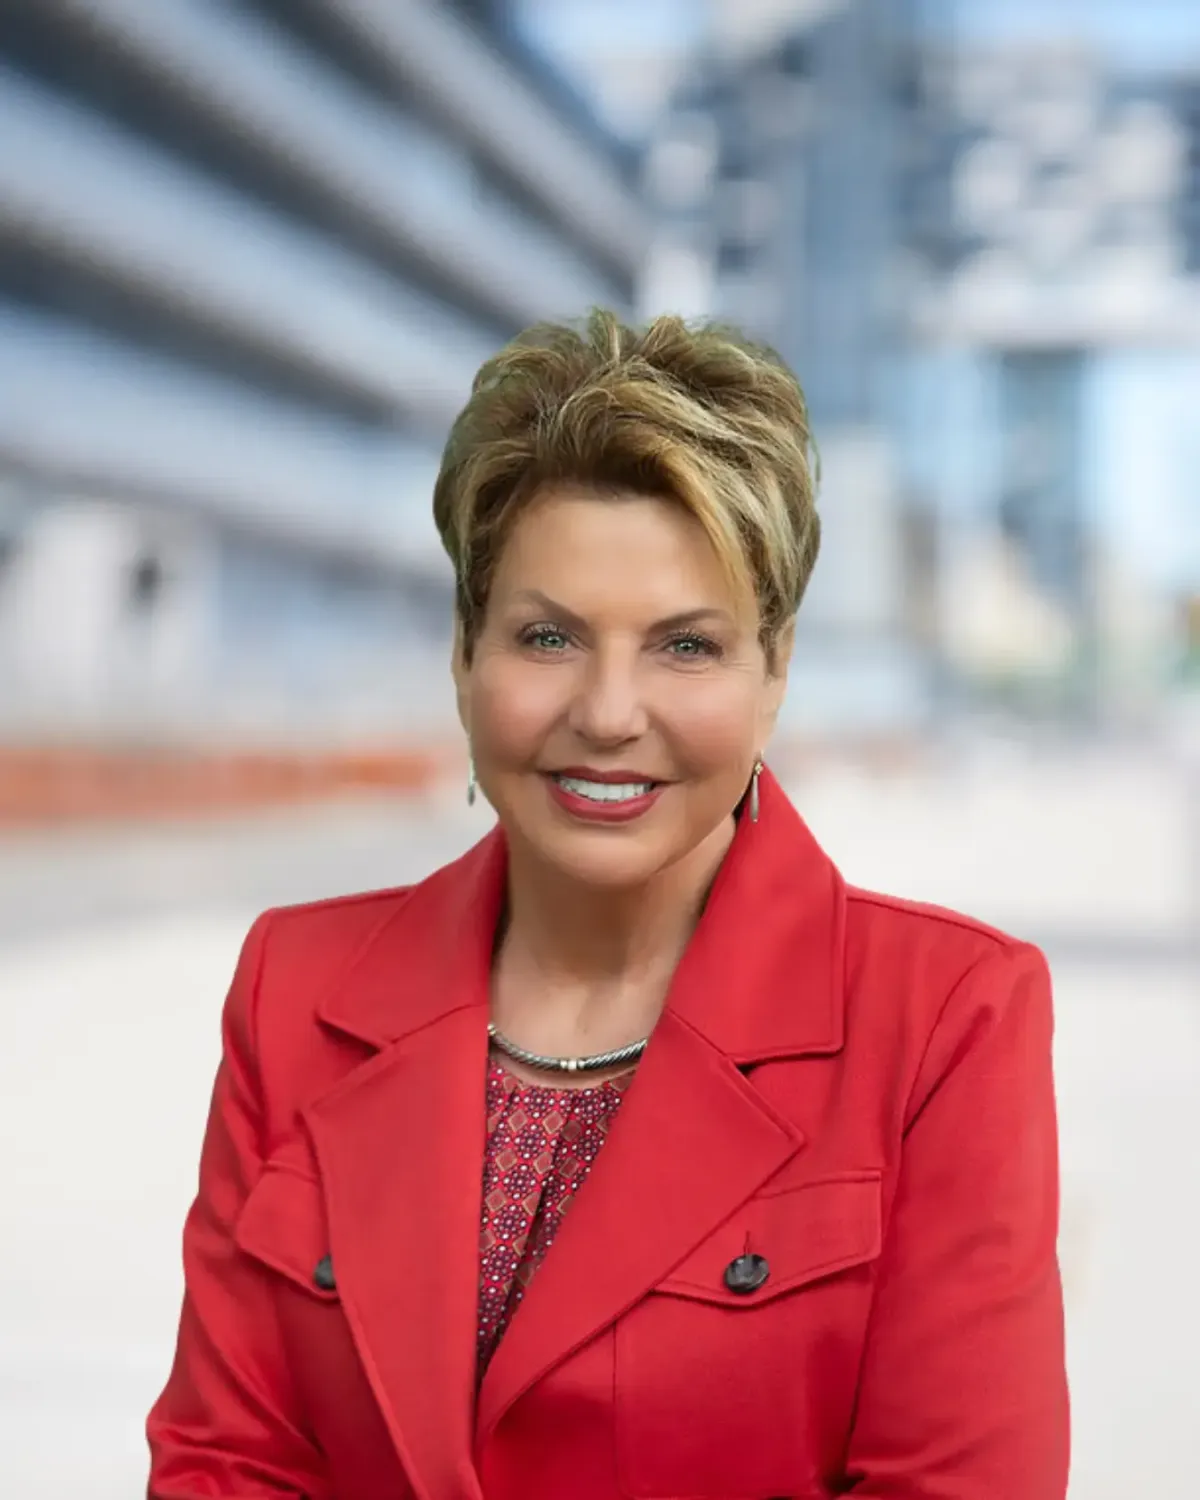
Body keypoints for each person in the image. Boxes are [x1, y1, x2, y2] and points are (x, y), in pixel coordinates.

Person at [146, 310, 1069, 1499]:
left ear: (774, 671)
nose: (609, 711)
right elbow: (229, 1463)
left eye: (686, 647)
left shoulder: (947, 1022)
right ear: (465, 652)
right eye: (547, 636)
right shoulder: (296, 990)